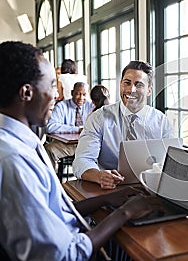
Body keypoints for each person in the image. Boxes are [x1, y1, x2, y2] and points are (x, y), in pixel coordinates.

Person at [0, 41, 161, 260]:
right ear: (26, 93)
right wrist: (125, 213)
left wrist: (109, 198)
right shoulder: (14, 161)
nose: (56, 96)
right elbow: (65, 256)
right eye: (51, 86)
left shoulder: (20, 144)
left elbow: (56, 210)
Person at [73, 60, 174, 189]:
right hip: (110, 190)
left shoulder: (162, 122)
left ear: (149, 90)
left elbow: (173, 161)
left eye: (139, 85)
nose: (131, 90)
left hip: (152, 189)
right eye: (127, 83)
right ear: (120, 84)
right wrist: (99, 176)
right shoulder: (99, 118)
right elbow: (82, 160)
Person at [45, 82, 94, 169]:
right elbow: (50, 127)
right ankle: (51, 180)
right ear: (72, 93)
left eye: (84, 94)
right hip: (68, 145)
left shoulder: (91, 106)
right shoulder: (61, 106)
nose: (81, 98)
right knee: (49, 150)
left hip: (87, 144)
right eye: (78, 94)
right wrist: (77, 129)